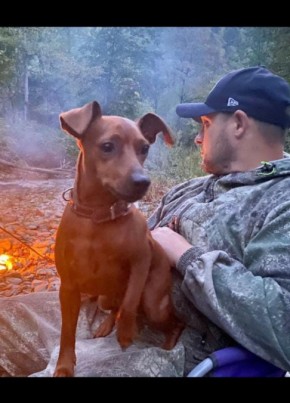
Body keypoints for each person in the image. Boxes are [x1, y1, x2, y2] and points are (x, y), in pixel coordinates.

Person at [0, 66, 290, 377]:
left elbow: (283, 324)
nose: (196, 138)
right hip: (102, 311)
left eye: (205, 125)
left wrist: (186, 256)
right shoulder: (190, 188)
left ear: (239, 124)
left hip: (162, 348)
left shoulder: (280, 202)